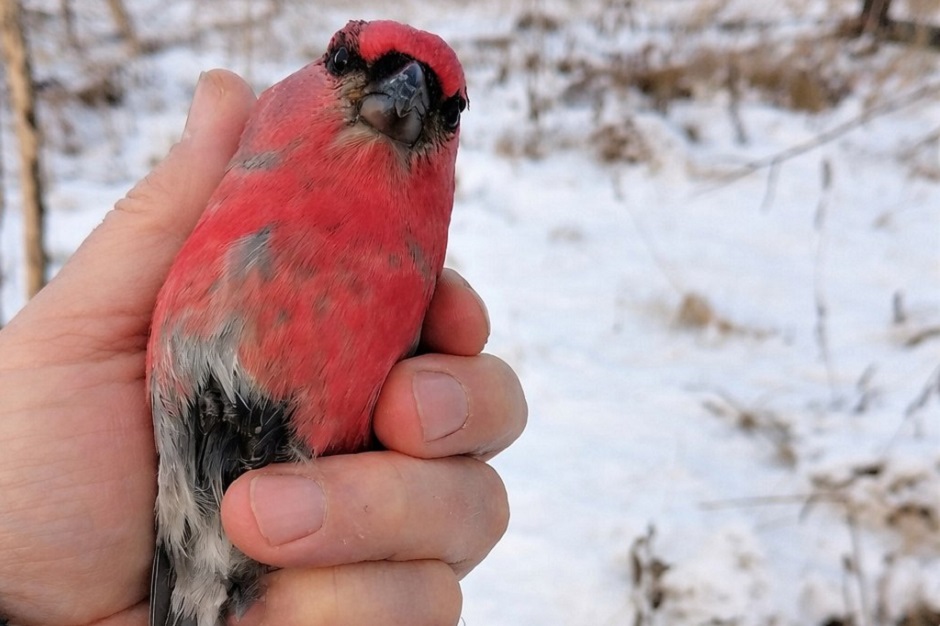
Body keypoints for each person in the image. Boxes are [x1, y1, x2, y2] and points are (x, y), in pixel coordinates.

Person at [0, 69, 527, 625]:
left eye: (444, 109)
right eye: (353, 64)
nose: (402, 92)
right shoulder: (242, 174)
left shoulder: (413, 260)